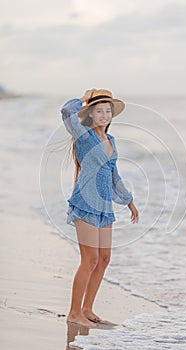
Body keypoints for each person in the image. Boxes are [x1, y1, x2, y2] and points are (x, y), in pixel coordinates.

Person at [60, 88, 139, 327]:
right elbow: (66, 112)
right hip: (85, 202)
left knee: (104, 258)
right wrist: (84, 100)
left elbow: (114, 174)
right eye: (99, 111)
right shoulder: (84, 135)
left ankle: (88, 309)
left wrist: (129, 201)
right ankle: (74, 312)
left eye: (108, 111)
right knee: (90, 259)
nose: (104, 115)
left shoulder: (111, 141)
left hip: (105, 206)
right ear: (91, 115)